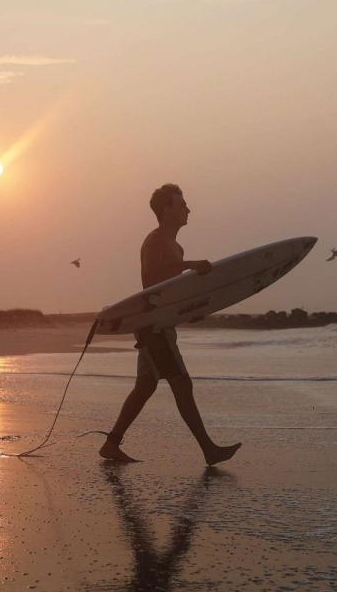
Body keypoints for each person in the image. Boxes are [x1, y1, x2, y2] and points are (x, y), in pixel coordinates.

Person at [99, 184, 242, 465]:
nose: (188, 209)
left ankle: (111, 444)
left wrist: (193, 311)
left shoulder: (175, 245)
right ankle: (208, 450)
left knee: (145, 387)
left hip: (162, 325)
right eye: (181, 204)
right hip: (154, 329)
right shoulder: (155, 241)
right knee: (181, 384)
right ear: (166, 209)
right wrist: (189, 266)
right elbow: (152, 280)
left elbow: (173, 293)